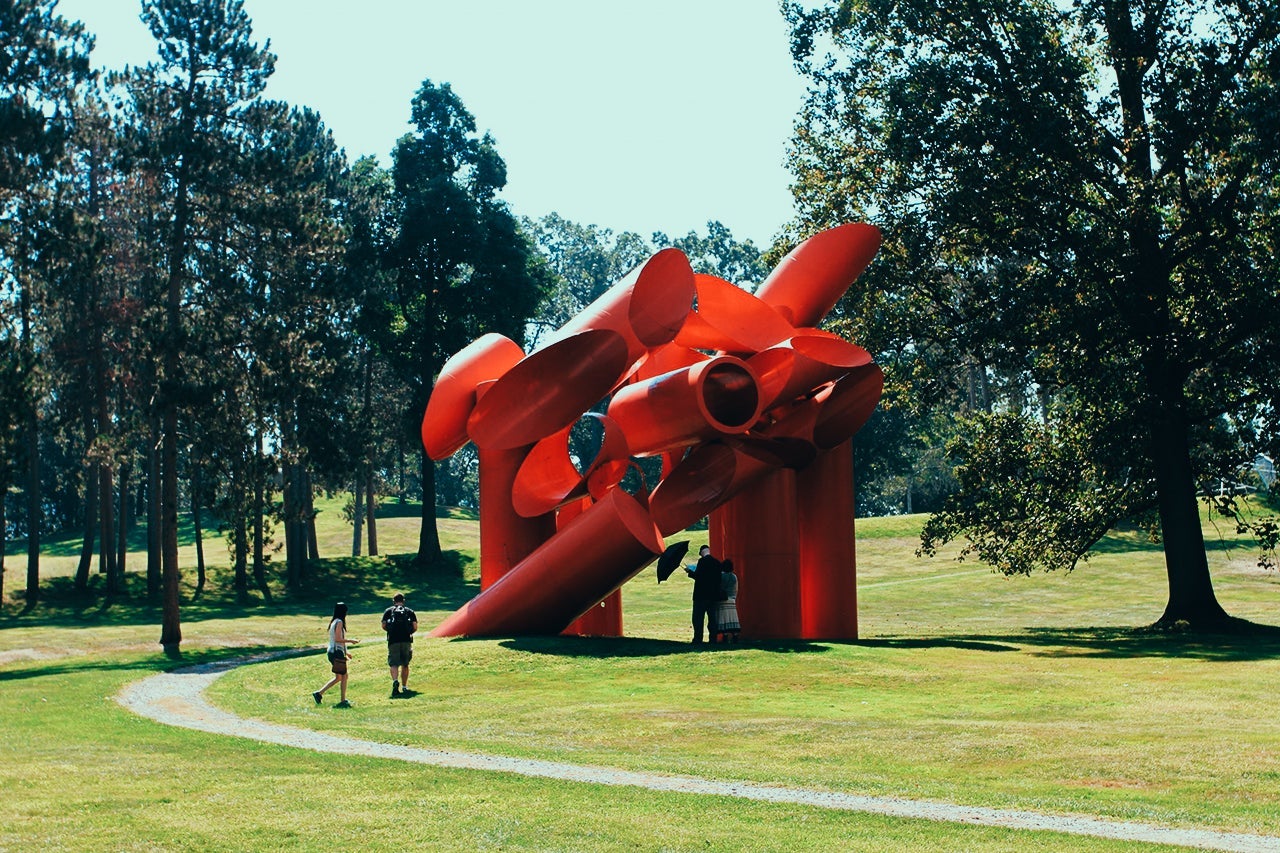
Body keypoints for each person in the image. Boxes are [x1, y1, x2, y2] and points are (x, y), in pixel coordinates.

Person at [314, 601, 359, 708]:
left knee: (339, 677)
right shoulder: (339, 622)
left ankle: (319, 693)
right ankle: (343, 701)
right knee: (344, 676)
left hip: (332, 651)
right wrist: (351, 640)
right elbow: (338, 639)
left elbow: (336, 640)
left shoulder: (334, 622)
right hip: (336, 652)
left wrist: (346, 652)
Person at [382, 592, 418, 698]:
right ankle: (405, 686)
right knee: (405, 664)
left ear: (393, 601)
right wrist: (409, 632)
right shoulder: (409, 612)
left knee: (394, 663)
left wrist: (390, 631)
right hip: (406, 640)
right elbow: (415, 627)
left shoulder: (388, 611)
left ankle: (395, 681)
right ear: (404, 601)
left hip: (393, 640)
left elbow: (383, 625)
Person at [685, 545, 722, 644]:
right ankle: (713, 639)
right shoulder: (717, 563)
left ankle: (698, 639)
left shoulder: (702, 562)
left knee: (698, 619)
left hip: (701, 595)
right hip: (713, 596)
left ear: (702, 552)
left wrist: (690, 572)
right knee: (712, 619)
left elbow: (699, 577)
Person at [714, 559, 741, 643]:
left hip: (722, 600)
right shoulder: (734, 576)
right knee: (732, 618)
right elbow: (736, 589)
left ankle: (725, 636)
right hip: (732, 600)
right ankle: (735, 636)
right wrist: (734, 598)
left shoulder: (720, 576)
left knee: (724, 618)